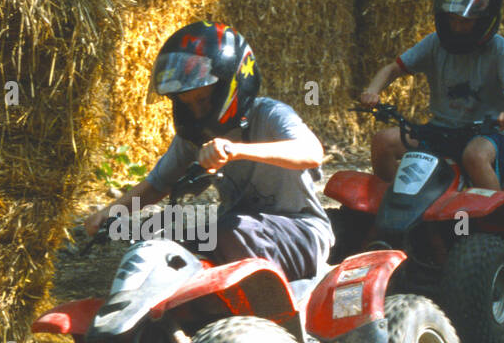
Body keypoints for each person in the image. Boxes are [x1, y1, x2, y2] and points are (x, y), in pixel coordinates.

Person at [84, 22, 333, 282]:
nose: (197, 112)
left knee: (230, 232)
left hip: (303, 232)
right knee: (170, 247)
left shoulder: (270, 114)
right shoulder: (195, 136)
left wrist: (236, 150)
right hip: (240, 230)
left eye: (202, 100)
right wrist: (109, 213)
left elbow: (311, 151)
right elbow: (158, 184)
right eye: (187, 104)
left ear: (231, 87)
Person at [360, 0, 504, 191]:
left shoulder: (500, 50)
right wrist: (372, 90)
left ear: (484, 19)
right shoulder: (434, 43)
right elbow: (393, 69)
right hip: (440, 130)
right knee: (383, 142)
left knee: (475, 157)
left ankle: (499, 221)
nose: (458, 27)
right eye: (453, 19)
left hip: (487, 134)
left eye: (466, 21)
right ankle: (393, 205)